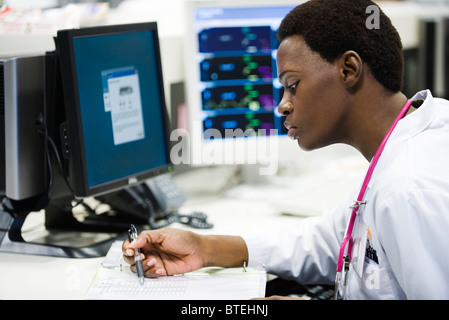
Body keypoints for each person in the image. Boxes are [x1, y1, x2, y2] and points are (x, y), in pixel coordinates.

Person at [123, 0, 449, 299]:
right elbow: (333, 241)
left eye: (292, 84)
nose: (282, 106)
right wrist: (204, 247)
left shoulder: (409, 189)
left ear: (349, 70)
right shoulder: (405, 140)